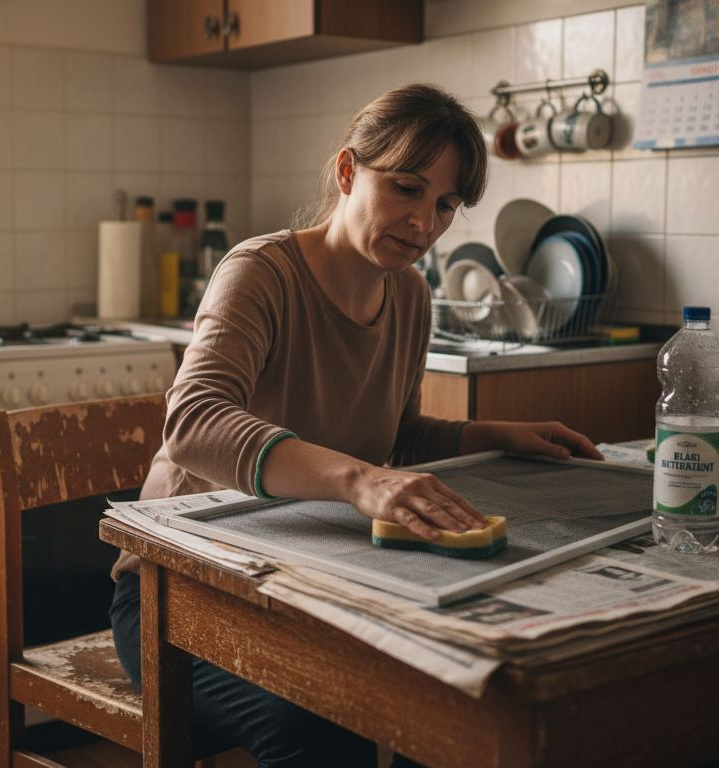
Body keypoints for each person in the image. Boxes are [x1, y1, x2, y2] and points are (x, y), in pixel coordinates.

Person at [108, 82, 603, 766]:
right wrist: (358, 482)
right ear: (348, 172)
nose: (424, 224)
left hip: (304, 576)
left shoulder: (410, 295)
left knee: (438, 700)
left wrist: (492, 436)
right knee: (321, 721)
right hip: (181, 591)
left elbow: (392, 437)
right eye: (405, 188)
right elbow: (193, 422)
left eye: (445, 205)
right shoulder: (260, 274)